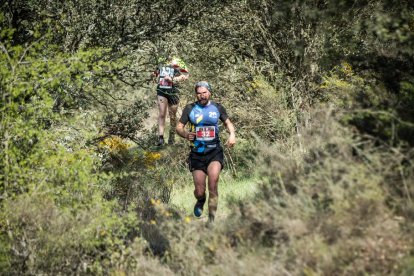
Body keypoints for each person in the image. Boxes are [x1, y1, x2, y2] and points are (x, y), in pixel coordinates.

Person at [176, 81, 236, 223]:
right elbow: (179, 127)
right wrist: (185, 134)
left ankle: (211, 219)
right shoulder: (189, 108)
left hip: (214, 151)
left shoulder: (217, 107)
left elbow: (228, 123)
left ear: (209, 92)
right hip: (197, 153)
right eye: (199, 93)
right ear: (196, 94)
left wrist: (232, 134)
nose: (202, 96)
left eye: (204, 93)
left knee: (213, 183)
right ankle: (200, 200)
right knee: (199, 190)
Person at [152, 55, 189, 146]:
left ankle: (171, 138)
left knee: (172, 115)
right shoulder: (161, 61)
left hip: (174, 92)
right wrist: (153, 75)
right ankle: (160, 138)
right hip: (161, 90)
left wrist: (173, 79)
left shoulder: (178, 61)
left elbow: (186, 76)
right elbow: (155, 73)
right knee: (162, 114)